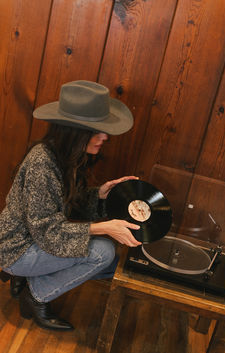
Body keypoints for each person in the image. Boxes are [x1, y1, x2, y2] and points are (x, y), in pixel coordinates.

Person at [0, 80, 141, 331]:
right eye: (96, 130)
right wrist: (103, 227)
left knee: (109, 264)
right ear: (75, 131)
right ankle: (35, 296)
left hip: (36, 240)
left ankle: (26, 278)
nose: (105, 137)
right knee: (104, 253)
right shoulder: (42, 163)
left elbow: (63, 206)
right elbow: (47, 232)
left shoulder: (65, 155)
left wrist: (100, 194)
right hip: (17, 248)